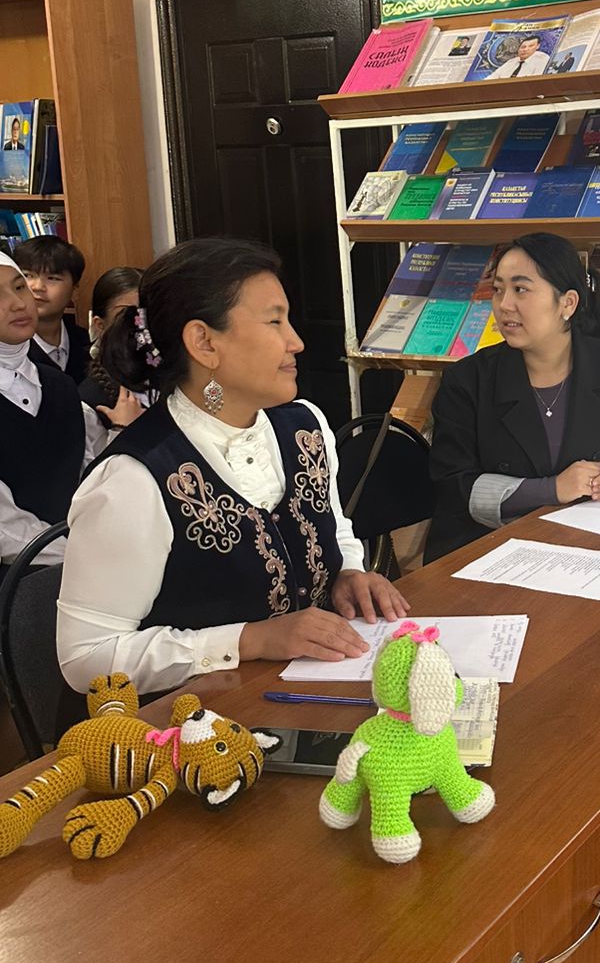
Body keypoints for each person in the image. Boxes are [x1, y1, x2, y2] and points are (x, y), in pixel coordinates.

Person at [57, 237, 408, 701]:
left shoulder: (305, 426)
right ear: (204, 342)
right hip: (191, 725)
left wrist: (347, 573)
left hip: (307, 699)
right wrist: (250, 640)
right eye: (274, 321)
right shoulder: (132, 479)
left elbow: (334, 525)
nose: (296, 342)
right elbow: (85, 658)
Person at [427, 231, 600, 851]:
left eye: (522, 289)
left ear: (567, 303)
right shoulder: (468, 381)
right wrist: (549, 489)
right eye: (498, 290)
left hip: (590, 556)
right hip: (489, 558)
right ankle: (509, 803)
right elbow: (455, 486)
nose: (505, 305)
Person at [0, 252, 134, 567]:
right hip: (23, 578)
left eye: (19, 288)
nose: (18, 303)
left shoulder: (59, 385)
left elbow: (91, 475)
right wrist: (86, 555)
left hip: (84, 561)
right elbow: (7, 532)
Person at [78, 265, 152, 430]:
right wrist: (121, 429)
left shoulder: (172, 377)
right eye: (126, 314)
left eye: (146, 313)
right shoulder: (89, 402)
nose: (139, 323)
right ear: (100, 324)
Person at [13, 236, 90, 382]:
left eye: (52, 278)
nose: (37, 287)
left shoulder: (85, 343)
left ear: (75, 291)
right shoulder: (8, 349)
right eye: (27, 275)